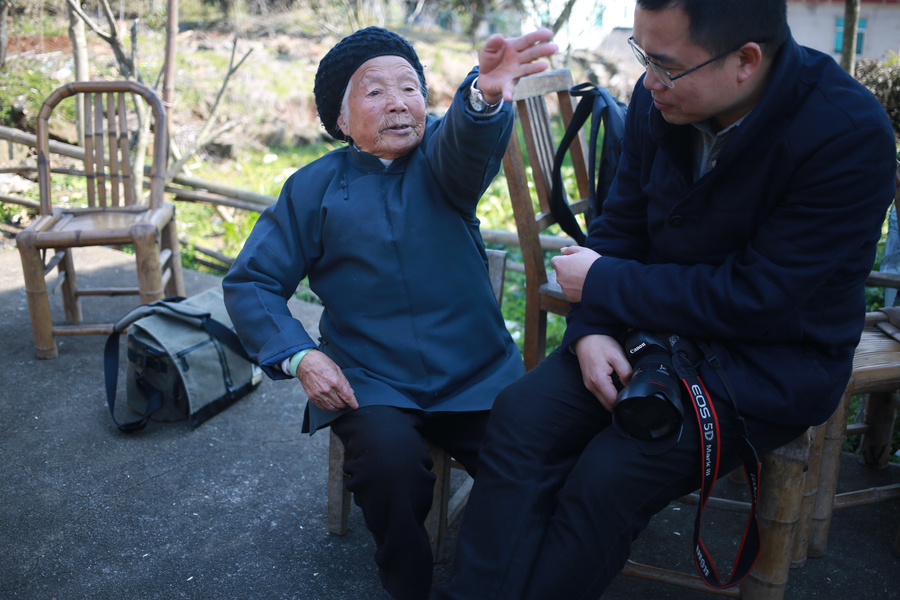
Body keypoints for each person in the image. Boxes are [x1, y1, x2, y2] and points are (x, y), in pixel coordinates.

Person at [433, 1, 897, 599]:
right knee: (522, 419)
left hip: (765, 362)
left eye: (666, 65)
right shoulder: (662, 100)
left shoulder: (846, 135)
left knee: (609, 476)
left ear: (745, 61)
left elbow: (758, 297)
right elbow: (620, 226)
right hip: (645, 330)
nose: (647, 80)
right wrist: (592, 327)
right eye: (642, 55)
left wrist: (601, 286)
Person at [222, 26, 556, 600]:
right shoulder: (311, 188)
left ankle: (485, 581)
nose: (399, 102)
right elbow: (253, 280)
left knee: (534, 467)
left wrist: (483, 99)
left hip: (477, 371)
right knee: (388, 467)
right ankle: (409, 582)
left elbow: (469, 142)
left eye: (410, 87)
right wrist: (300, 355)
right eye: (375, 91)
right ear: (341, 119)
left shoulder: (443, 166)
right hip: (372, 381)